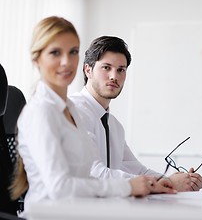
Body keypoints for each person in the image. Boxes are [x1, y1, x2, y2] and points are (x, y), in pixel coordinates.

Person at [10, 16, 176, 214]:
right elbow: (59, 187)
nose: (66, 61)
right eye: (55, 53)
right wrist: (129, 186)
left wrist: (156, 183)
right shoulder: (41, 112)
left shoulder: (70, 110)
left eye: (73, 52)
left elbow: (89, 176)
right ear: (37, 59)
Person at [70, 36, 202, 192]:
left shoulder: (114, 126)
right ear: (88, 70)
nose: (114, 76)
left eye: (121, 70)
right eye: (106, 67)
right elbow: (95, 173)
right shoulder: (75, 111)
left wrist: (179, 181)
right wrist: (168, 184)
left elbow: (138, 171)